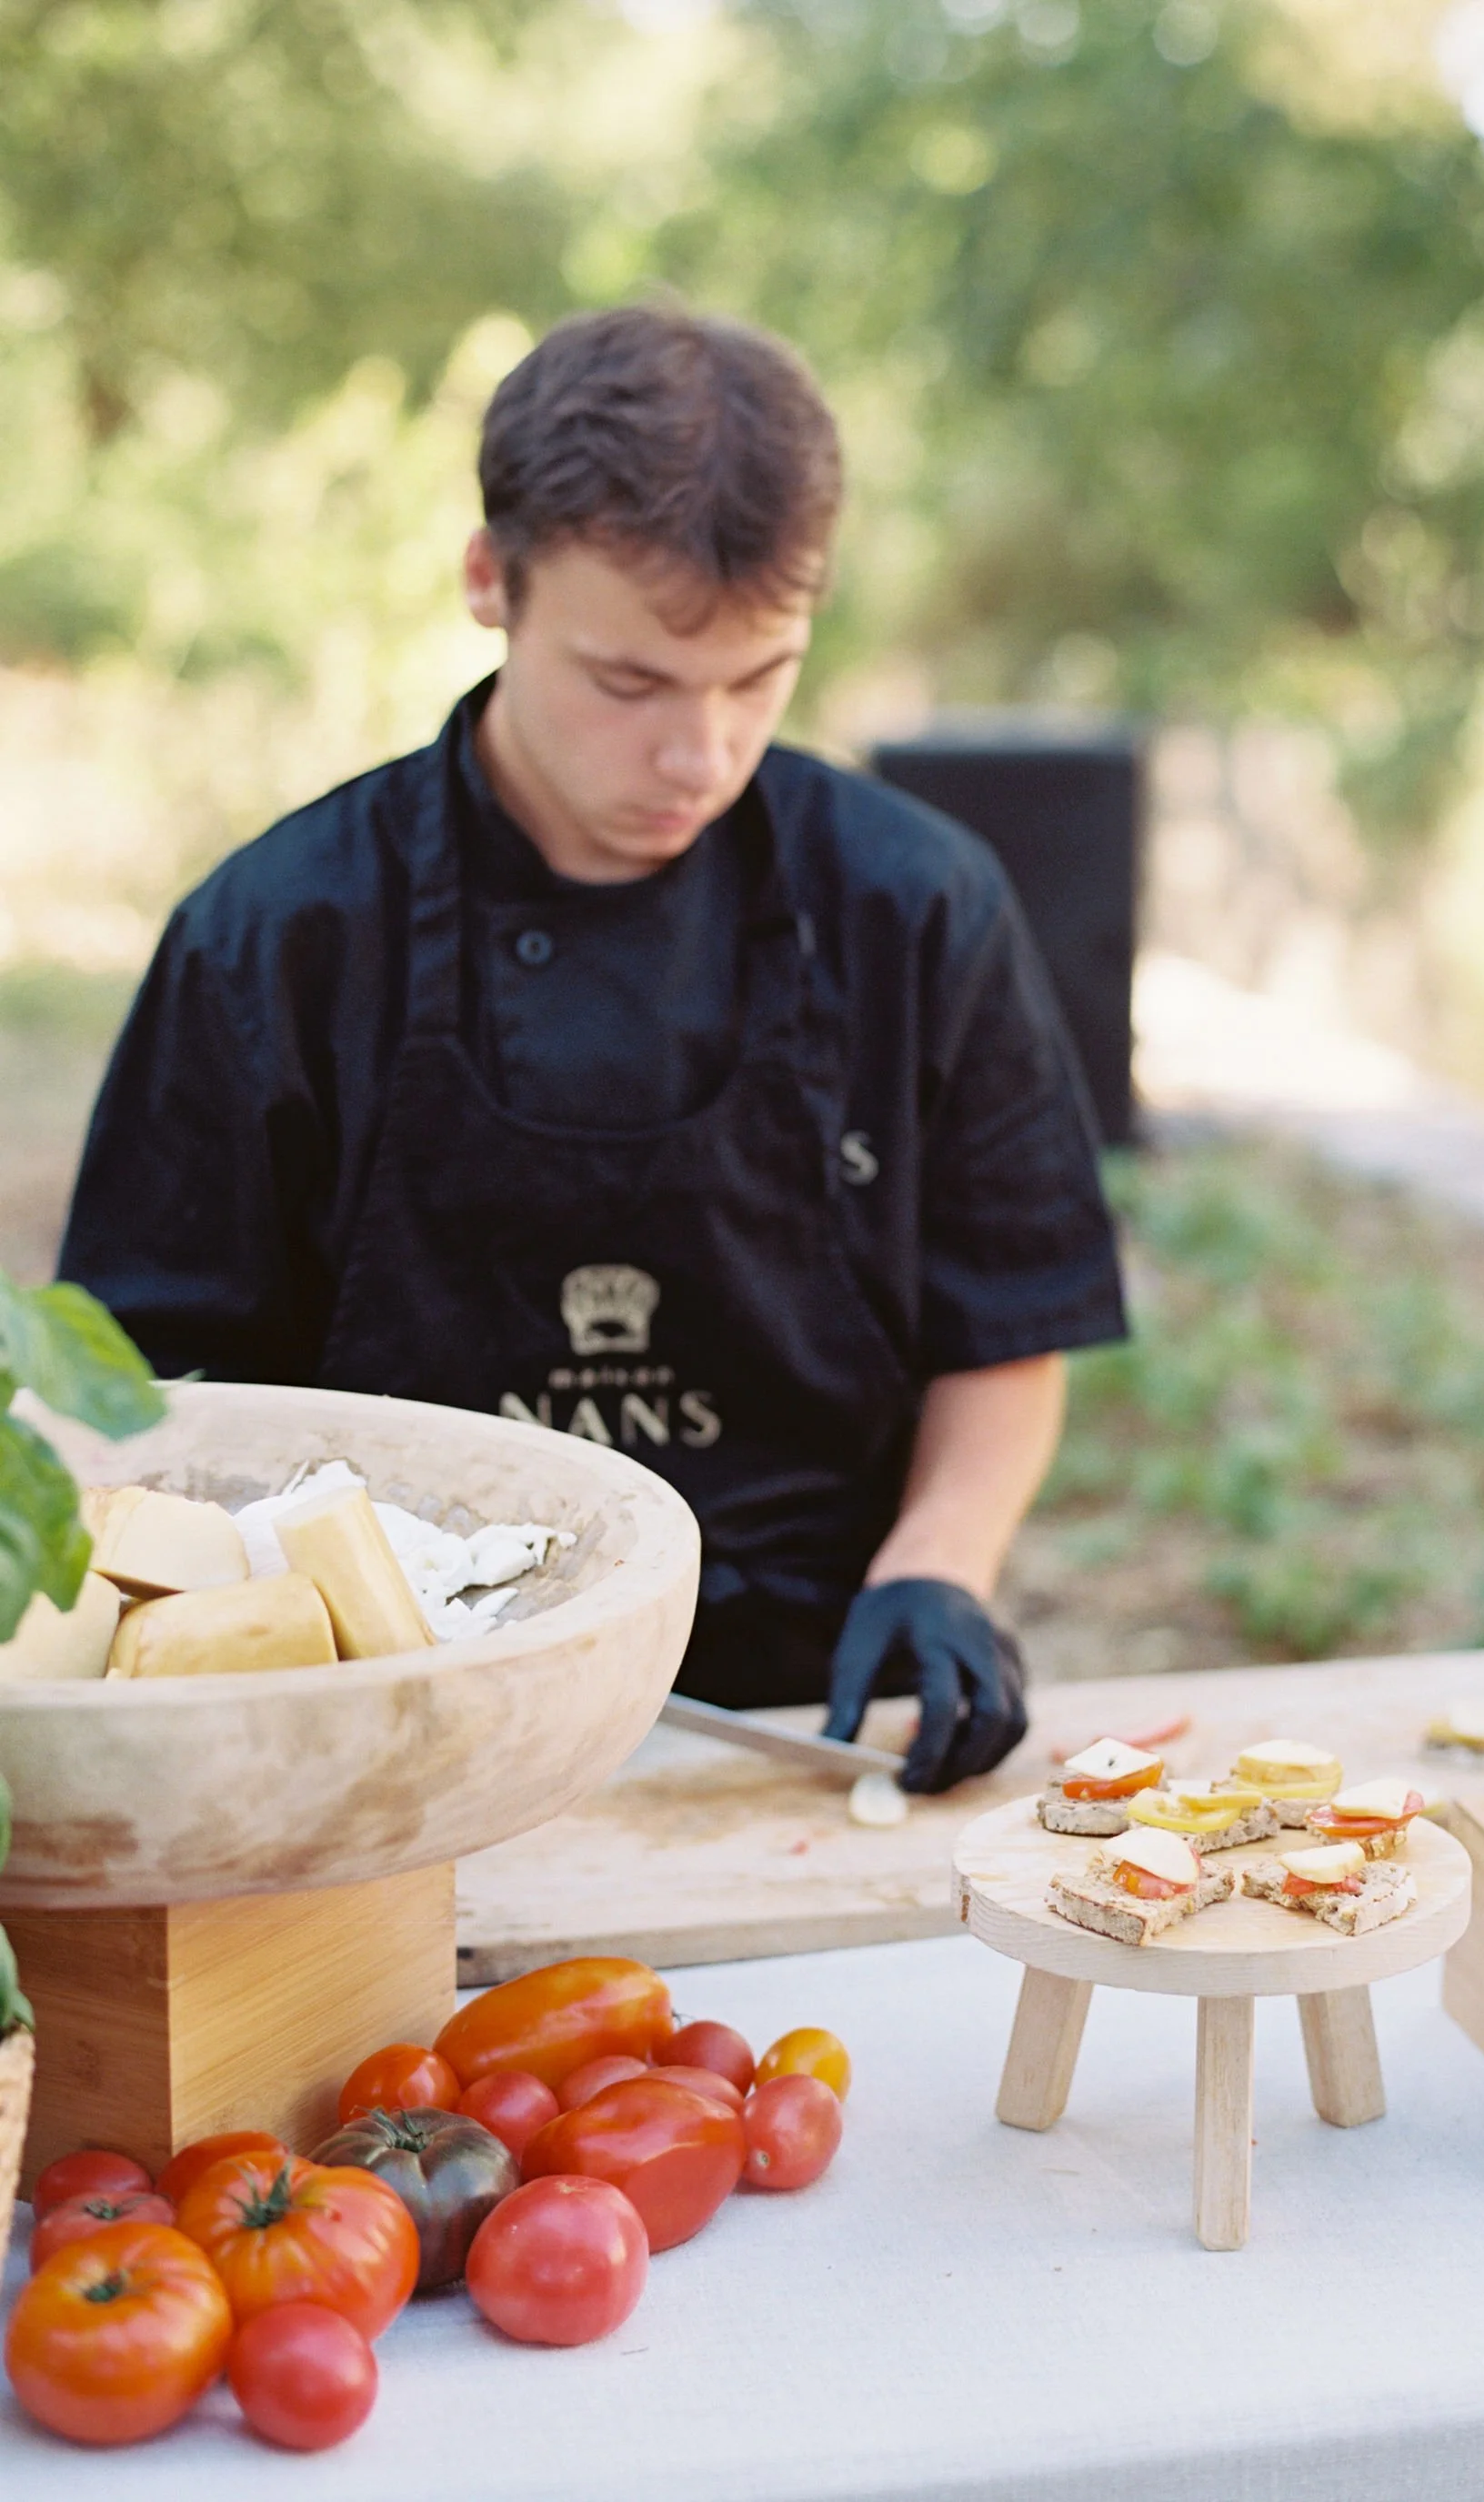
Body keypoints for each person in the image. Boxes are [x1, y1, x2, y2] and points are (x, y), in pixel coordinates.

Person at [58, 303, 1127, 1790]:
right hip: (386, 1725)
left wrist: (941, 1566)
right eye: (631, 683)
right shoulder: (275, 938)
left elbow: (1005, 1323)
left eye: (761, 677)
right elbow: (154, 1412)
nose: (700, 754)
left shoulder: (917, 903)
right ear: (492, 580)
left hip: (804, 1715)